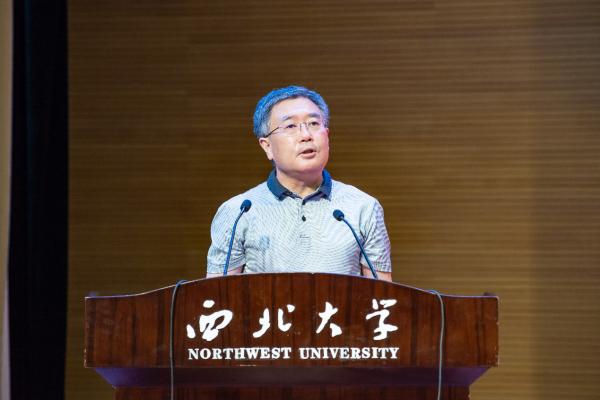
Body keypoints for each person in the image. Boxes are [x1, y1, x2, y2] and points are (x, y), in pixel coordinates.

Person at [206, 86, 392, 281]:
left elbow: (382, 295)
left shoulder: (364, 207)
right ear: (267, 146)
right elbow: (218, 294)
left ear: (327, 136)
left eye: (314, 123)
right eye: (290, 126)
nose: (306, 135)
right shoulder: (238, 212)